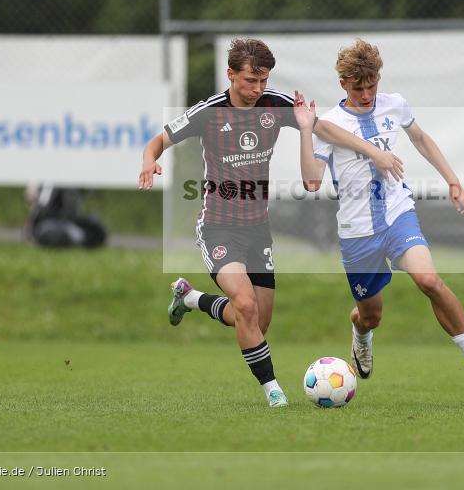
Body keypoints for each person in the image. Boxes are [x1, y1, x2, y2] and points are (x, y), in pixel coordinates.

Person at [138, 38, 403, 408]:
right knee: (244, 305)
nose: (257, 89)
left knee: (255, 323)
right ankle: (273, 391)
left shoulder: (274, 104)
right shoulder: (209, 112)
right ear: (230, 74)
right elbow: (156, 142)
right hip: (218, 227)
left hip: (257, 229)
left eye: (263, 81)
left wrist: (370, 149)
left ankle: (191, 298)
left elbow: (326, 130)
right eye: (249, 81)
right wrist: (149, 161)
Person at [298, 38, 464, 382]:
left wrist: (452, 180)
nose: (366, 94)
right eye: (358, 88)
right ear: (342, 84)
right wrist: (306, 132)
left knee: (428, 280)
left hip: (398, 214)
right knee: (371, 316)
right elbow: (310, 181)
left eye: (372, 85)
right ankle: (361, 335)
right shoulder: (329, 124)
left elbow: (421, 139)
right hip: (357, 231)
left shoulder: (394, 105)